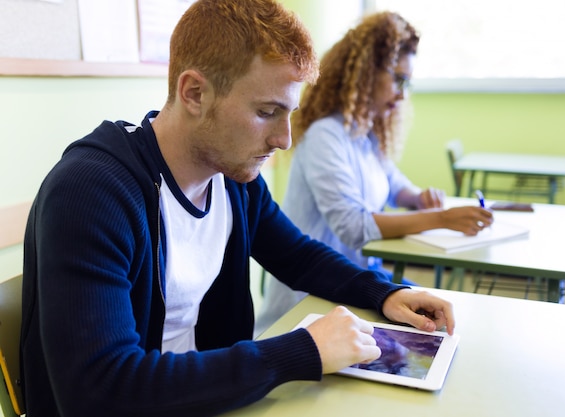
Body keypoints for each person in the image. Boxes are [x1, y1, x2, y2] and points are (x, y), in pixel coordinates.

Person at [20, 1, 456, 416]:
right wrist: (302, 350)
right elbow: (99, 392)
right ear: (194, 93)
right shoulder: (92, 192)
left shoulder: (232, 178)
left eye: (289, 113)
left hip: (207, 400)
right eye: (267, 111)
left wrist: (385, 291)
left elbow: (298, 255)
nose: (284, 139)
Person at [257, 11, 492, 334]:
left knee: (444, 312)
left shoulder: (365, 135)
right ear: (366, 74)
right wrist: (441, 218)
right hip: (311, 300)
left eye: (407, 82)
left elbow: (397, 188)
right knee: (431, 323)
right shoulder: (325, 135)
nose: (401, 92)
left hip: (355, 284)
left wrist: (421, 198)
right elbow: (355, 226)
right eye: (397, 78)